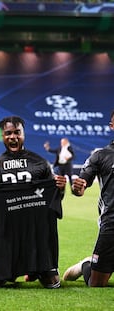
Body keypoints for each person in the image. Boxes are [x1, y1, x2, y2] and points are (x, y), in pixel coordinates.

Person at [0, 116, 66, 289]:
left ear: (23, 134)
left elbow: (54, 199)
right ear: (2, 136)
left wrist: (61, 188)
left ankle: (37, 267)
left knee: (52, 282)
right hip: (7, 230)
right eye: (8, 133)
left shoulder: (40, 163)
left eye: (17, 132)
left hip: (36, 231)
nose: (13, 137)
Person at [62, 110, 114, 287]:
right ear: (112, 125)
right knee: (97, 283)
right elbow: (82, 185)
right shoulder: (101, 155)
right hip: (111, 223)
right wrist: (79, 187)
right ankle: (86, 264)